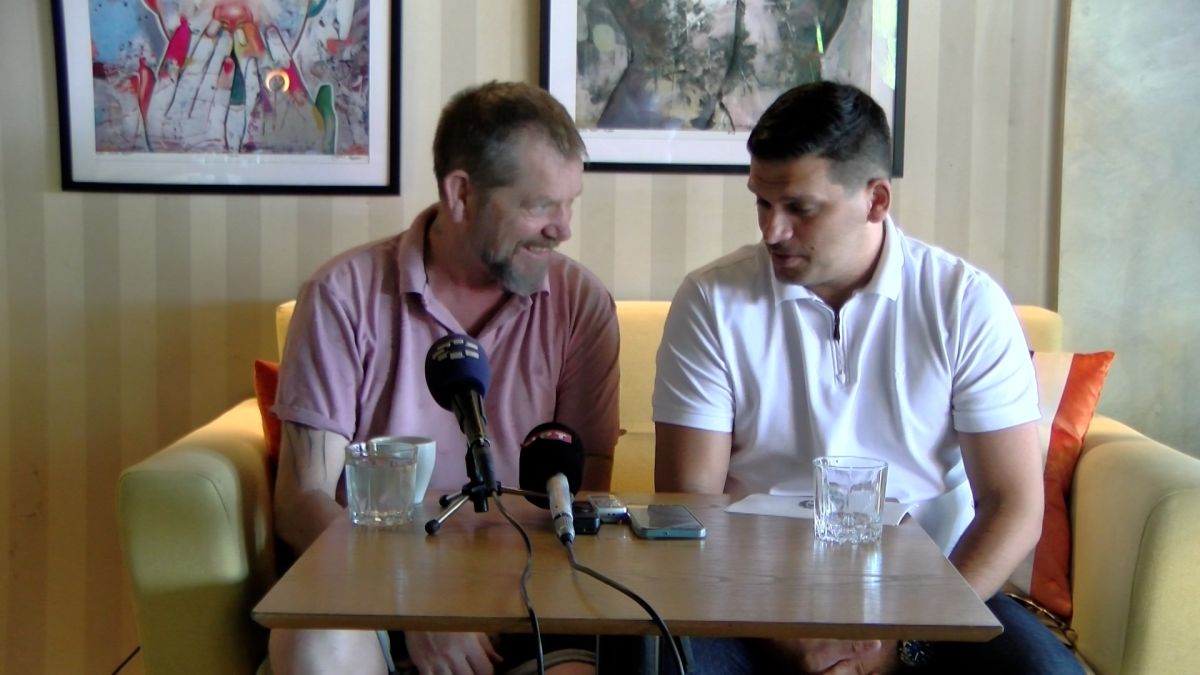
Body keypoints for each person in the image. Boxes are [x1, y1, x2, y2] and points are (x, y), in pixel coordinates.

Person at [652, 81, 1082, 674]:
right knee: (664, 660)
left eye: (800, 208)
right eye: (761, 203)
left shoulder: (964, 303)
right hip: (754, 601)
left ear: (876, 200)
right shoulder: (711, 301)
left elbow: (1014, 506)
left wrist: (903, 639)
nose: (772, 231)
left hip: (936, 592)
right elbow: (690, 507)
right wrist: (787, 638)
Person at [269, 81, 619, 675]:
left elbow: (581, 492)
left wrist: (499, 604)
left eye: (570, 204)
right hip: (371, 599)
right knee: (312, 643)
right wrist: (410, 600)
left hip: (528, 605)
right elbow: (302, 501)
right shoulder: (341, 295)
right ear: (461, 193)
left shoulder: (581, 303)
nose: (562, 229)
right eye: (540, 206)